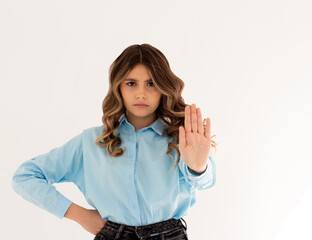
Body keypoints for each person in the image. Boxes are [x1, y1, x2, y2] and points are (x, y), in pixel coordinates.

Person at [11, 43, 217, 240]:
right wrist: (79, 215)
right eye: (131, 83)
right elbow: (25, 176)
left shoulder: (181, 140)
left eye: (151, 83)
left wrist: (198, 167)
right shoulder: (92, 142)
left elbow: (206, 181)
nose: (141, 93)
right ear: (118, 87)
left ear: (164, 88)